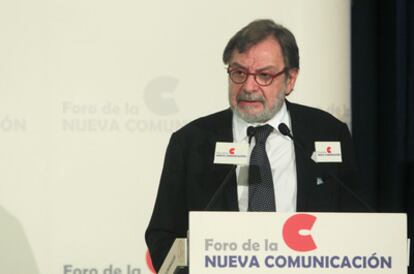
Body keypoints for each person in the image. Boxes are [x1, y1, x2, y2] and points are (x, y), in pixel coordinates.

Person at [145, 19, 369, 272]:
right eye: (239, 73)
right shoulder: (191, 141)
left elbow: (356, 225)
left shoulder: (328, 133)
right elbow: (161, 236)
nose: (248, 87)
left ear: (290, 79)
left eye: (264, 75)